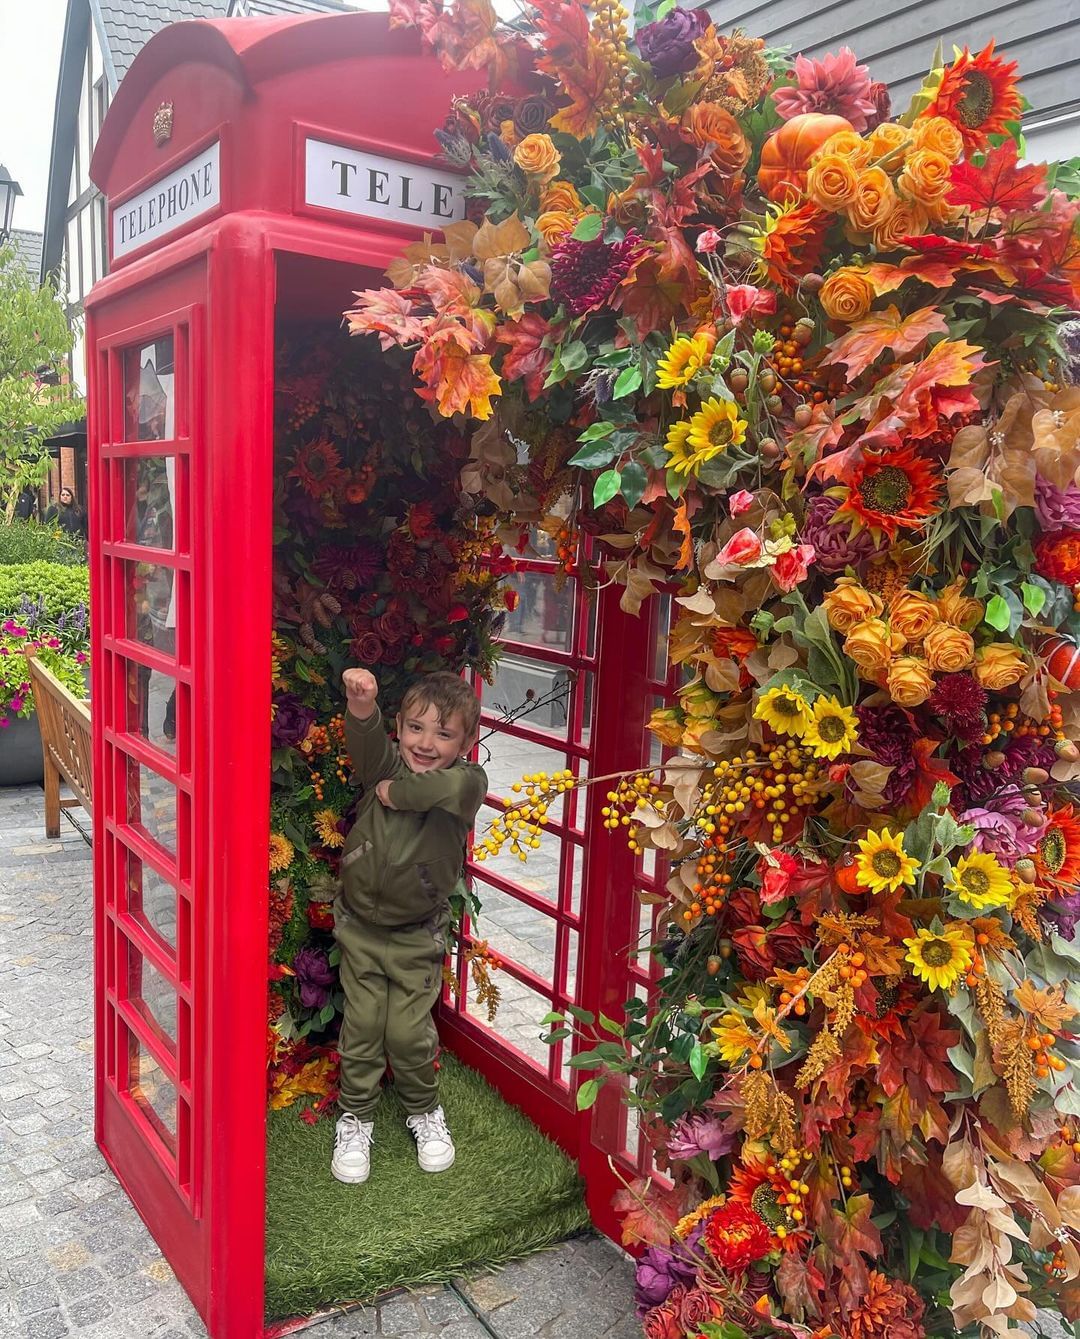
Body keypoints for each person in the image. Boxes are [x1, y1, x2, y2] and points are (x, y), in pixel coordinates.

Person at [332, 668, 486, 1186]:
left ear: (467, 742)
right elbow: (364, 743)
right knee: (363, 1023)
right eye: (416, 728)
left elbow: (437, 786)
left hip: (418, 932)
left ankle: (424, 1110)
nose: (426, 743)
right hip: (359, 927)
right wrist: (363, 705)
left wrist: (395, 795)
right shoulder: (387, 761)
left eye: (444, 734)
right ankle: (355, 1116)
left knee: (406, 1031)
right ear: (400, 726)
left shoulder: (467, 783)